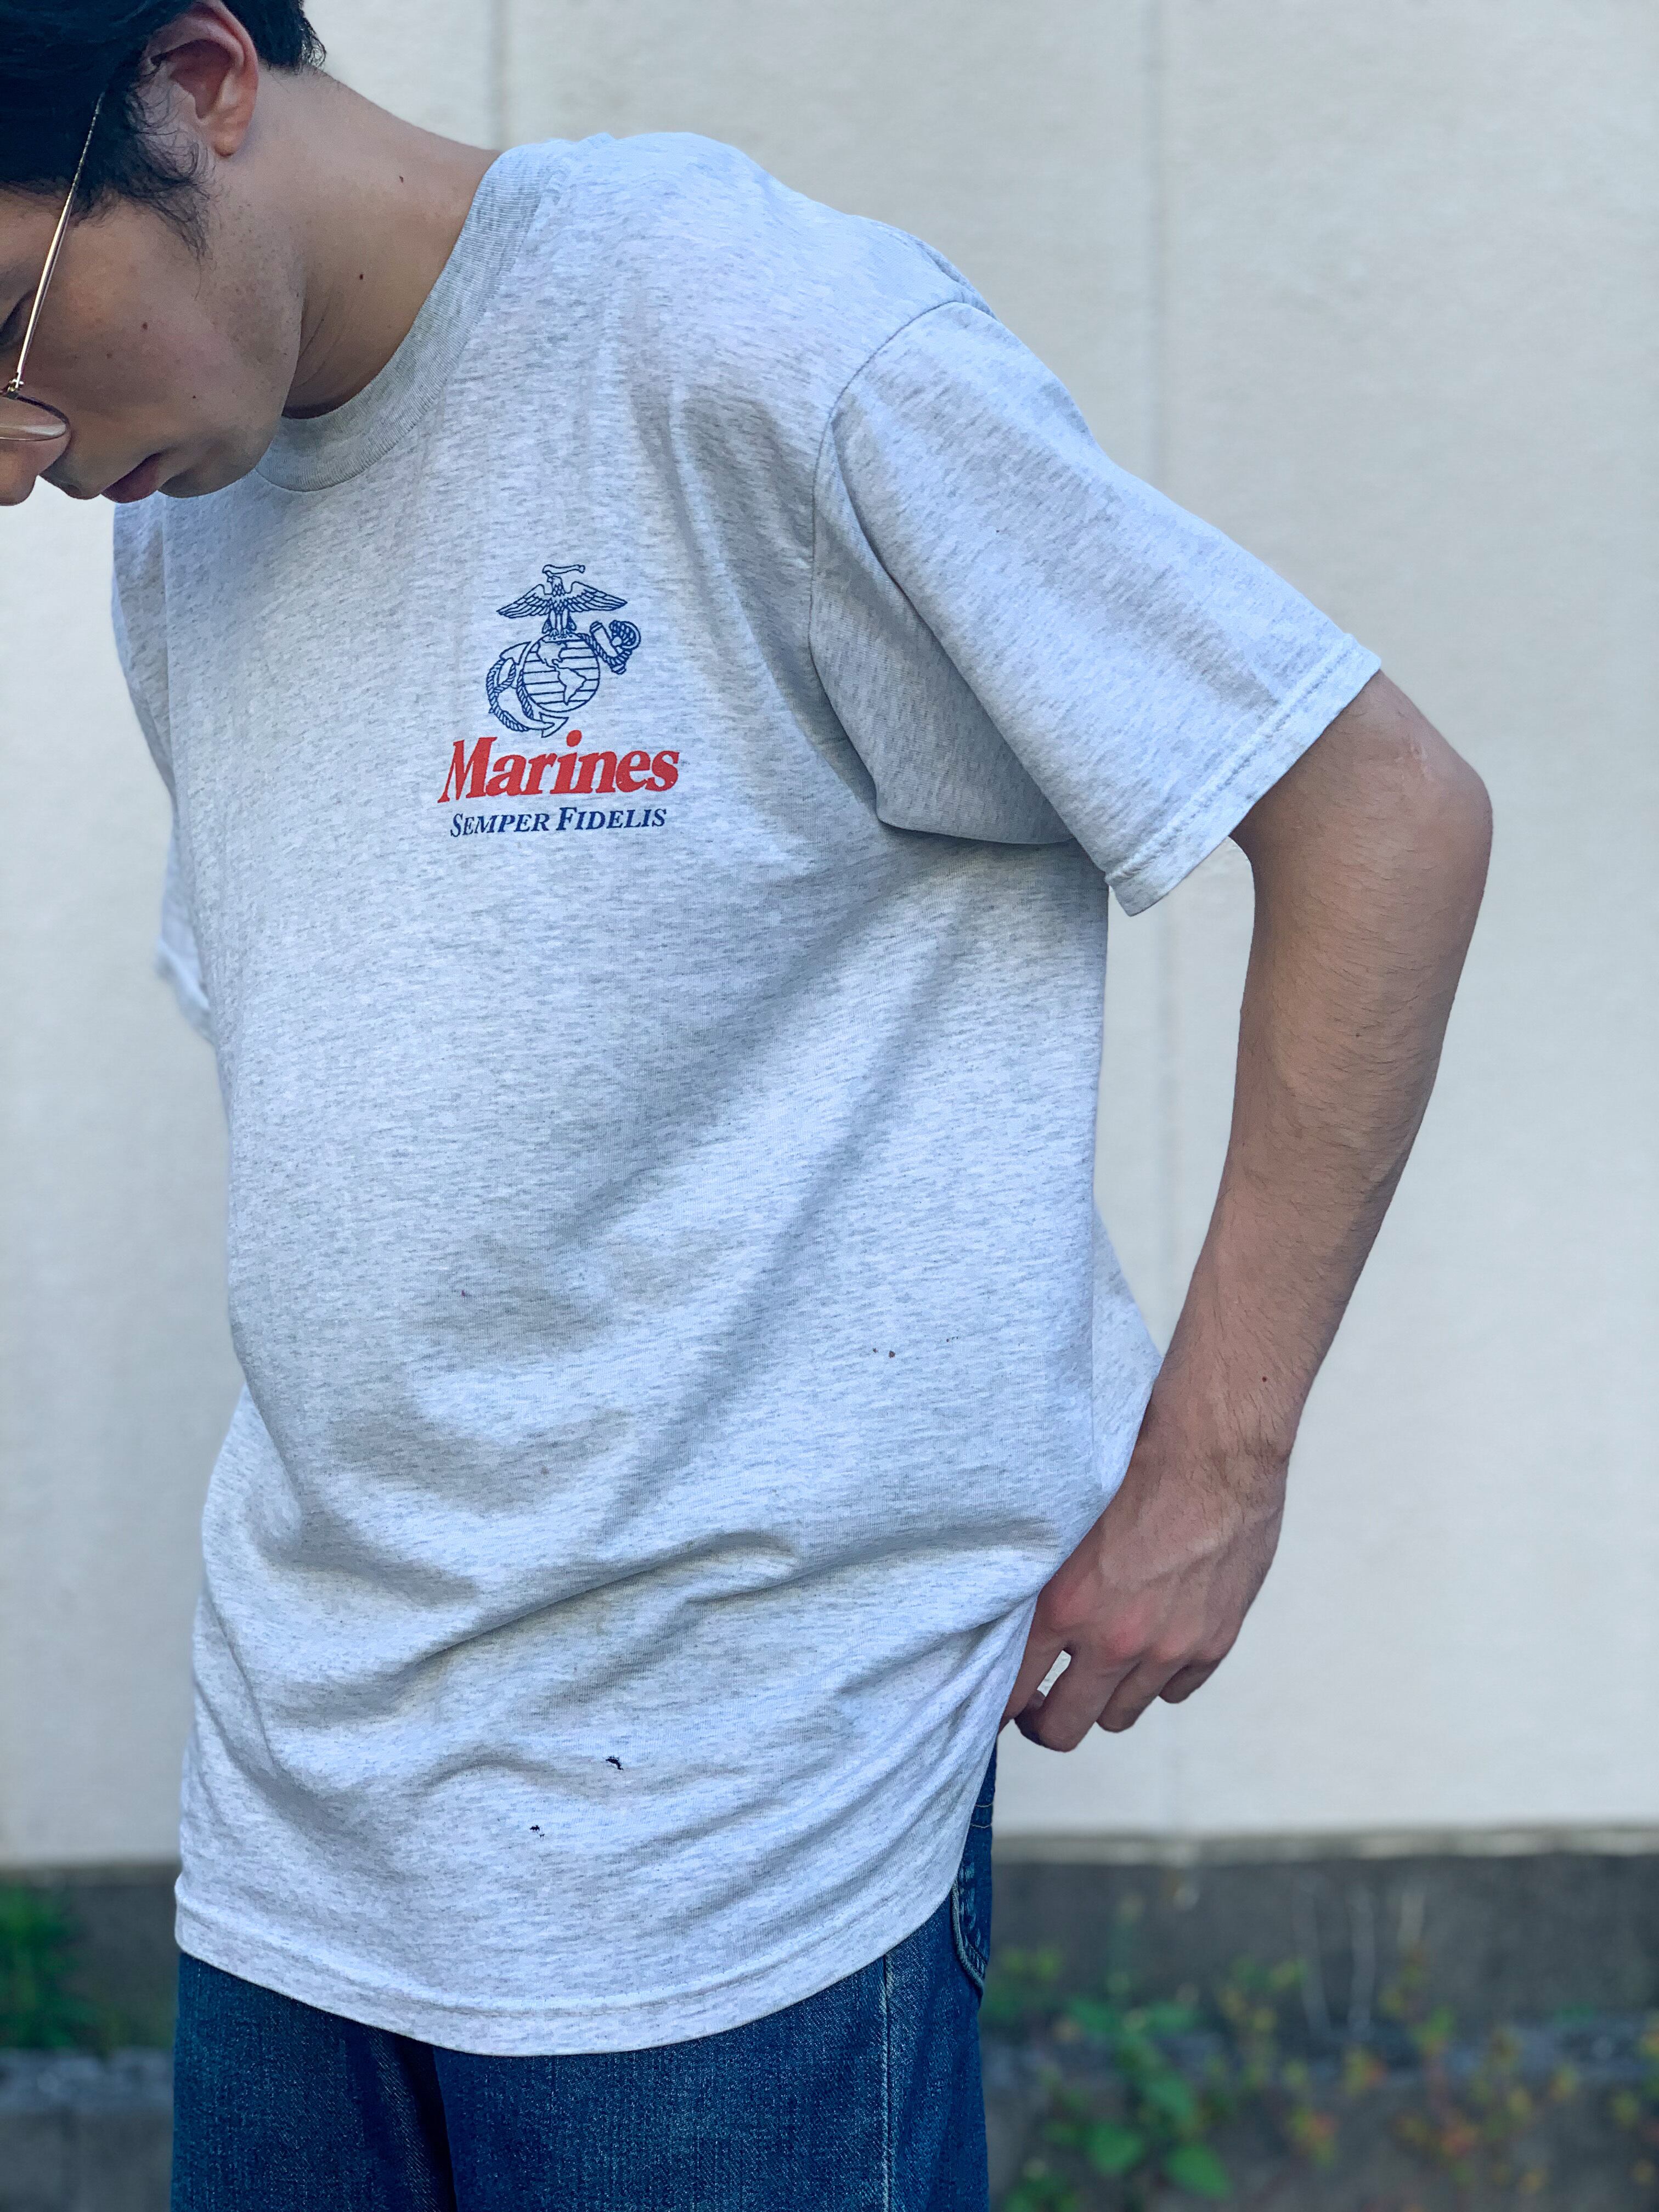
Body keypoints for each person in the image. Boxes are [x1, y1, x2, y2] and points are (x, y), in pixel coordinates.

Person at [0, 5, 1492, 2208]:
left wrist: (1218, 1462)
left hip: (738, 1850)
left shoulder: (744, 336)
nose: (9, 458)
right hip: (300, 1827)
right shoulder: (181, 509)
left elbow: (1381, 813)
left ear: (200, 85)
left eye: (5, 323)